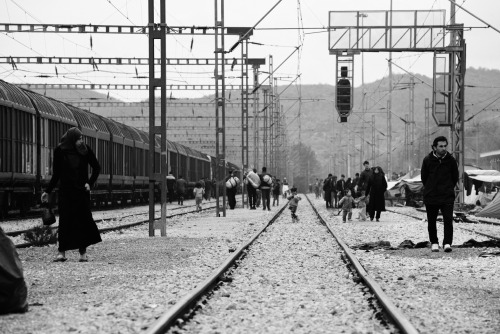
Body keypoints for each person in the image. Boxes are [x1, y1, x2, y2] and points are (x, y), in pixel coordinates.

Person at [41, 127, 101, 262]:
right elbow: (56, 174)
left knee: (82, 221)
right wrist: (47, 191)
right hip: (66, 192)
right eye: (79, 138)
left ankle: (82, 253)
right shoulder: (60, 151)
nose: (81, 141)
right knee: (65, 222)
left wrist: (89, 183)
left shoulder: (84, 150)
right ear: (72, 139)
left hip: (81, 191)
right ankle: (61, 252)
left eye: (82, 138)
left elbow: (97, 167)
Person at [421, 136, 459, 253]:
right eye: (441, 146)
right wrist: (431, 188)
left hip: (447, 195)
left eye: (445, 146)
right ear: (434, 147)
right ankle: (434, 243)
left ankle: (447, 243)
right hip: (431, 196)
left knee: (448, 220)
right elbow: (424, 177)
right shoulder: (427, 160)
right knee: (431, 221)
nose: (443, 148)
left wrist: (448, 188)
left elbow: (455, 177)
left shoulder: (451, 160)